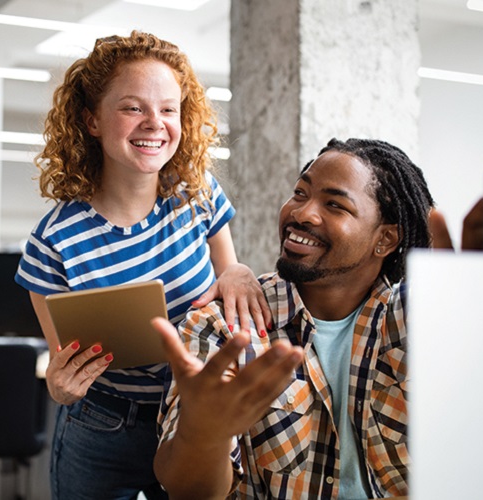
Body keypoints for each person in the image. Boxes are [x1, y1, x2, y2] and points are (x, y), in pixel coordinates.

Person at [15, 31, 268, 499]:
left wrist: (236, 271)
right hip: (102, 424)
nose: (155, 123)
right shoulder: (54, 241)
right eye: (133, 107)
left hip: (192, 417)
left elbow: (229, 272)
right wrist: (61, 386)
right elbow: (61, 364)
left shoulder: (197, 194)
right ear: (91, 121)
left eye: (168, 109)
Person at [155, 138, 434, 499]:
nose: (302, 213)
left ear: (385, 239)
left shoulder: (419, 322)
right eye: (300, 193)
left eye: (334, 204)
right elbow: (187, 489)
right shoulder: (222, 328)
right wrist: (204, 433)